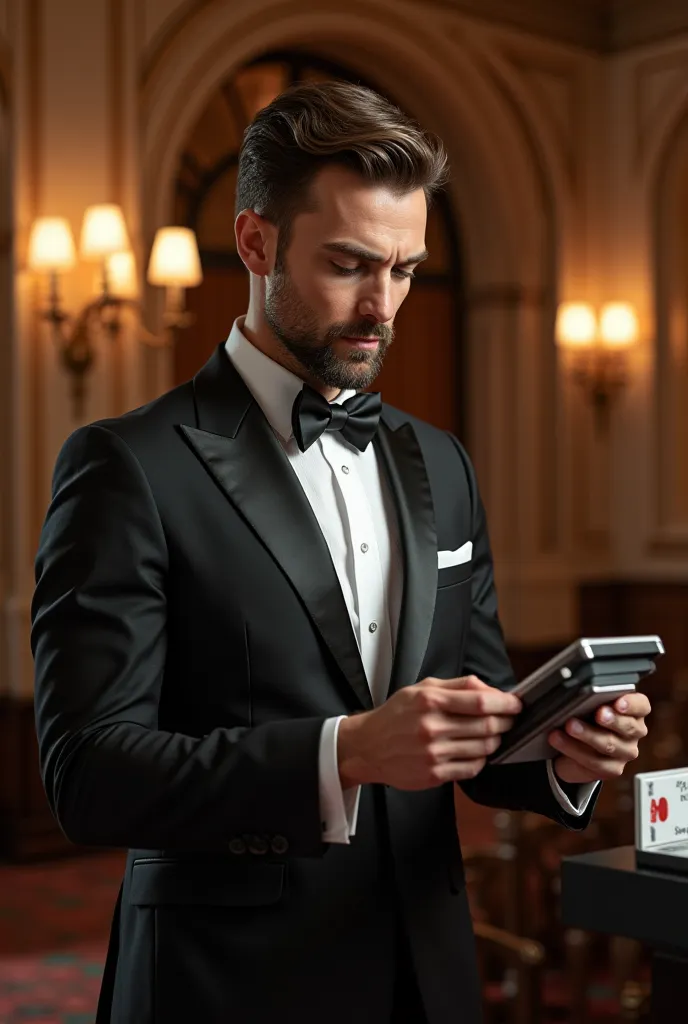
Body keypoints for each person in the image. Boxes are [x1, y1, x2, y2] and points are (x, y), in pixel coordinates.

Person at [31, 81, 651, 1024]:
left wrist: (563, 755)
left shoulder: (441, 461)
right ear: (256, 243)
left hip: (429, 969)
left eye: (405, 269)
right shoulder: (129, 465)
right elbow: (89, 774)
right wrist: (345, 752)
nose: (383, 306)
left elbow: (475, 736)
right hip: (222, 984)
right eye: (351, 264)